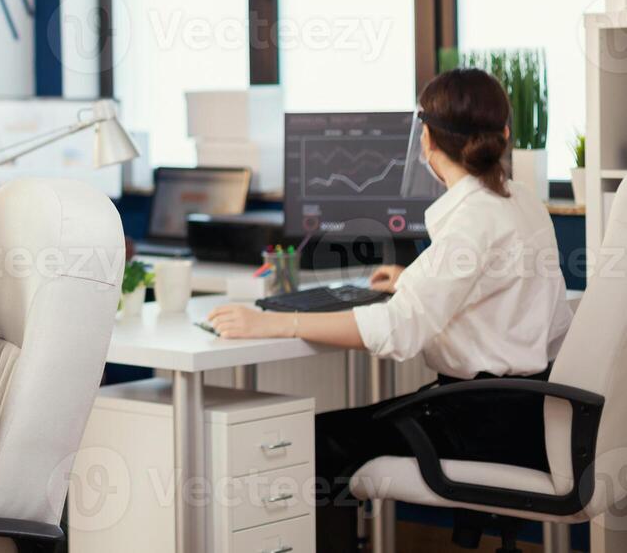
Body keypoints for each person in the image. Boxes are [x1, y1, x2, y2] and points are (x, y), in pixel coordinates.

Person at [206, 68, 573, 551]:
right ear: (504, 134)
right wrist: (411, 280)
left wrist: (273, 321)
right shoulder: (523, 202)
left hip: (478, 422)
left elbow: (397, 329)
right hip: (529, 413)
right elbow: (508, 293)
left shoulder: (471, 223)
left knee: (317, 442)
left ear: (428, 142)